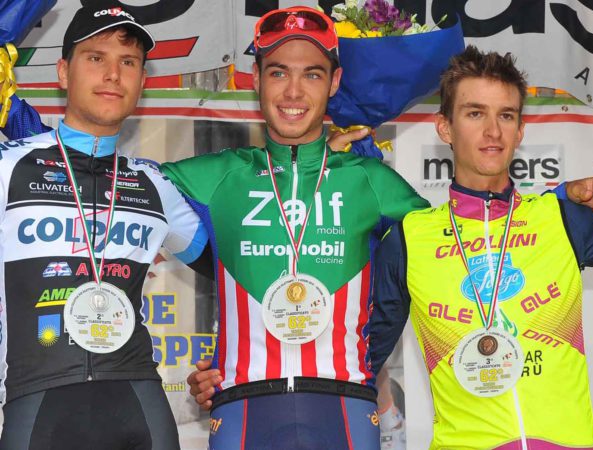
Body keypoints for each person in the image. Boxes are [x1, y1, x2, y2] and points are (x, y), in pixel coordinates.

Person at [160, 6, 431, 449]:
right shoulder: (217, 175)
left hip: (345, 406)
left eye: (312, 74)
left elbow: (452, 245)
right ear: (255, 78)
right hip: (242, 407)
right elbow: (106, 181)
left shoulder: (370, 181)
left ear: (334, 82)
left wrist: (370, 352)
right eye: (278, 72)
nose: (293, 91)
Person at [0, 4, 210, 450]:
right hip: (35, 404)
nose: (113, 74)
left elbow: (241, 267)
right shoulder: (9, 168)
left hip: (138, 405)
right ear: (63, 72)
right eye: (96, 58)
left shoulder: (154, 184)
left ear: (142, 81)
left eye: (128, 62)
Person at [371, 45, 593, 449]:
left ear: (520, 131)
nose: (493, 131)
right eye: (475, 113)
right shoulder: (409, 239)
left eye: (506, 115)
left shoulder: (564, 218)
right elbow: (359, 359)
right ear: (445, 128)